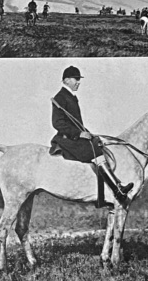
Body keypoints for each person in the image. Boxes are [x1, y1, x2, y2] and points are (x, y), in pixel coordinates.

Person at [50, 66, 133, 209]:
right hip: (66, 139)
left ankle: (113, 188)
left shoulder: (70, 97)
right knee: (96, 150)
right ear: (66, 80)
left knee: (98, 143)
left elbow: (76, 123)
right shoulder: (60, 97)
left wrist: (87, 133)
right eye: (76, 79)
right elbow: (57, 123)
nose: (78, 82)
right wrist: (79, 134)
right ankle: (117, 189)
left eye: (78, 79)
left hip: (74, 137)